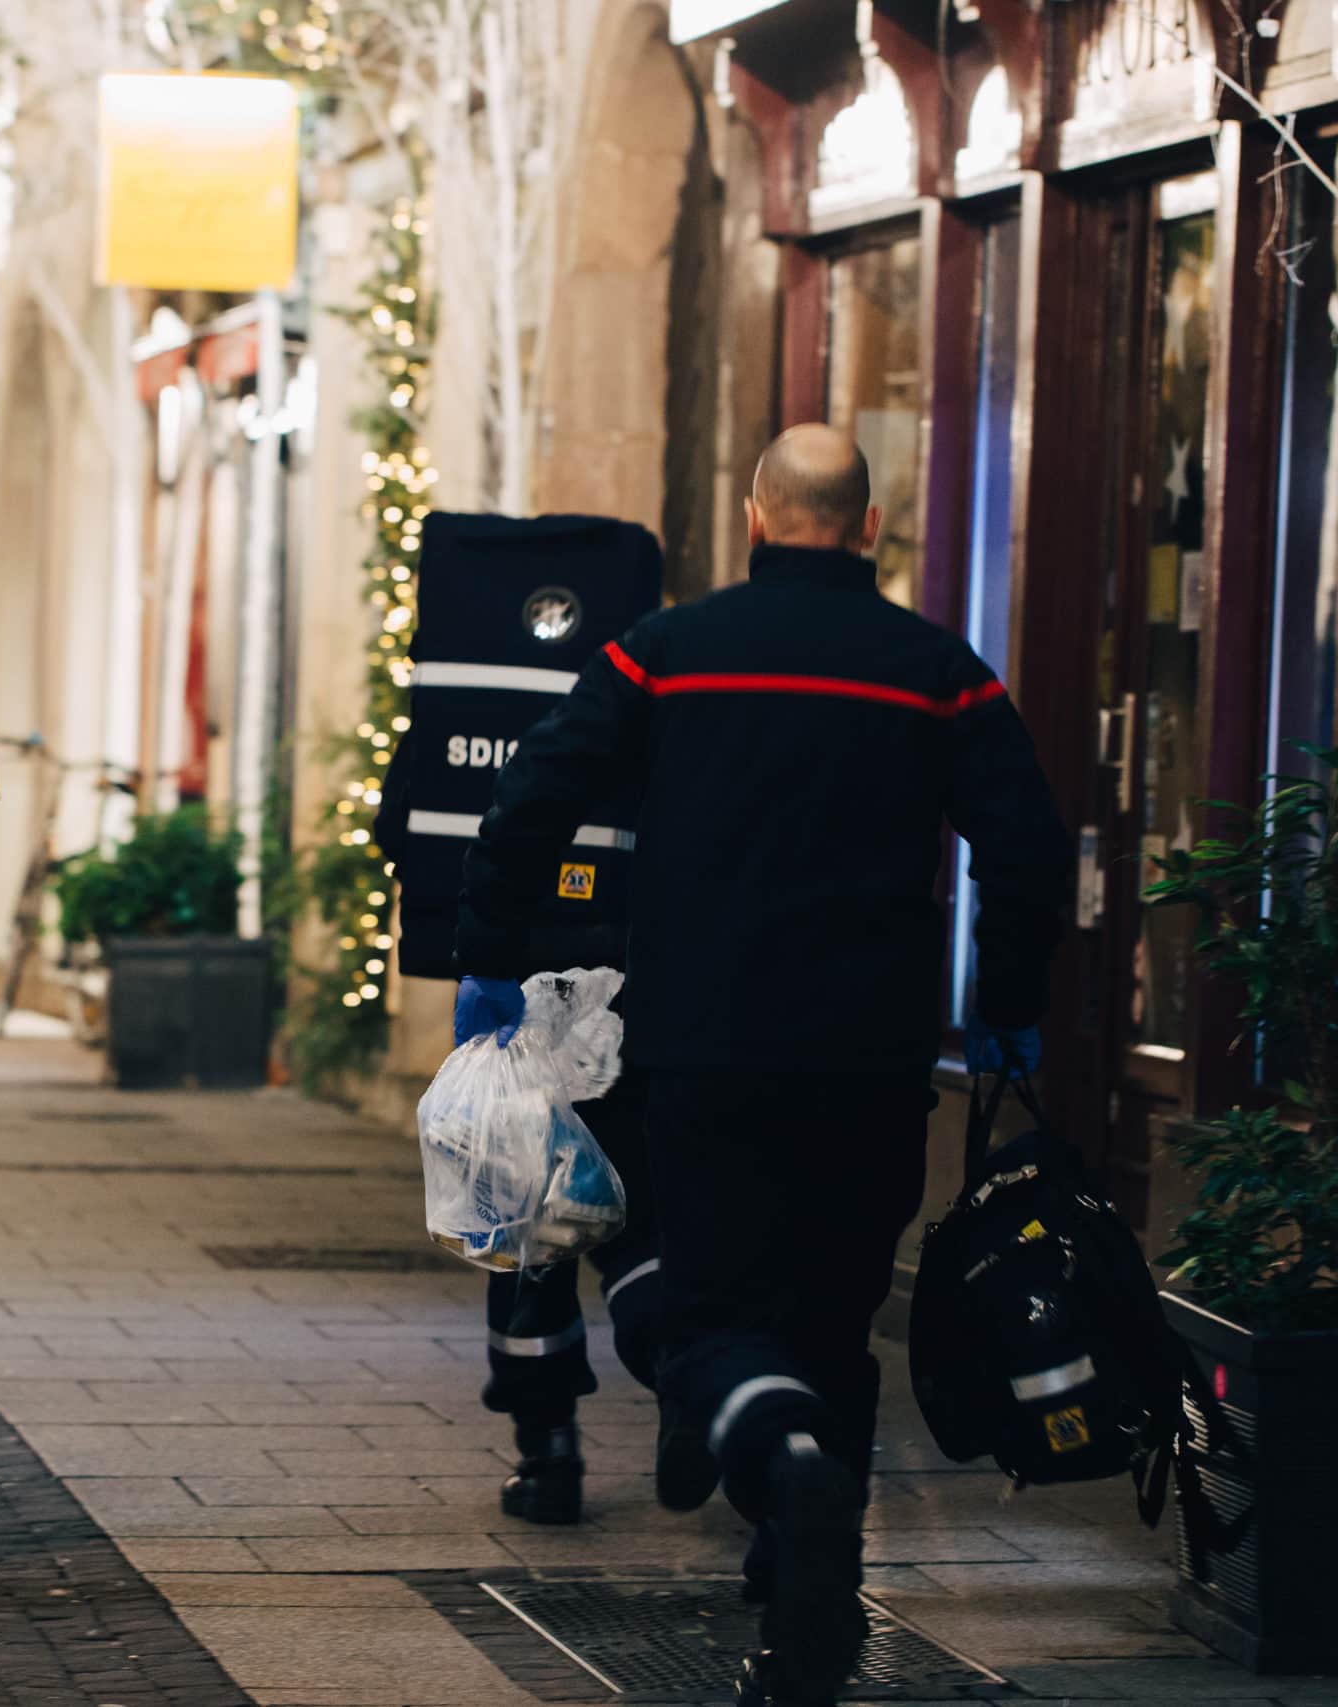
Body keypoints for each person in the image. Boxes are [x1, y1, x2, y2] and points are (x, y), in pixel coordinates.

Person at [453, 425, 1069, 1706]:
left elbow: (532, 800)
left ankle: (770, 1450)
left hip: (704, 1052)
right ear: (873, 525)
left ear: (752, 514)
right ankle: (806, 1607)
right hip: (873, 1061)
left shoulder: (663, 653)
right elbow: (1025, 847)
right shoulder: (935, 672)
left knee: (718, 1314)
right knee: (834, 1320)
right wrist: (1006, 1007)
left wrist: (495, 960)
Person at [373, 734, 663, 1526]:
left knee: (524, 1228)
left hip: (519, 1002)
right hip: (641, 994)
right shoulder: (668, 703)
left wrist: (478, 949)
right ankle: (695, 1393)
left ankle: (549, 1452)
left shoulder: (493, 704)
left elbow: (407, 825)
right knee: (645, 1215)